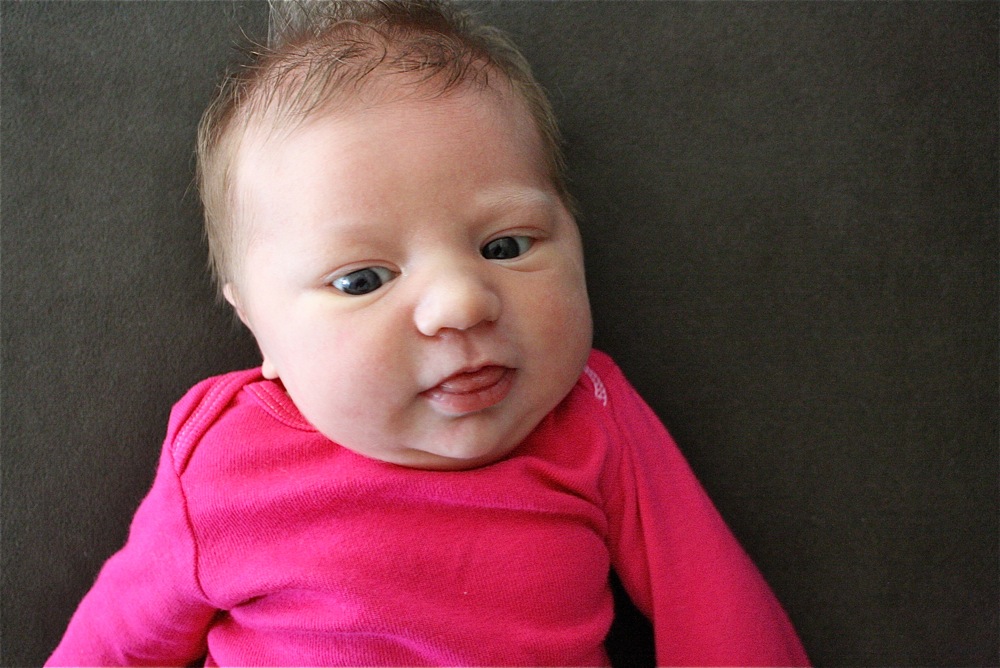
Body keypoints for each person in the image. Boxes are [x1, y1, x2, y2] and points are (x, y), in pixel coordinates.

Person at [48, 1, 809, 665]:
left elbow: (717, 612)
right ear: (260, 329)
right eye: (362, 280)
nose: (461, 304)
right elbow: (113, 645)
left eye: (505, 246)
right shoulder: (222, 459)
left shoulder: (590, 416)